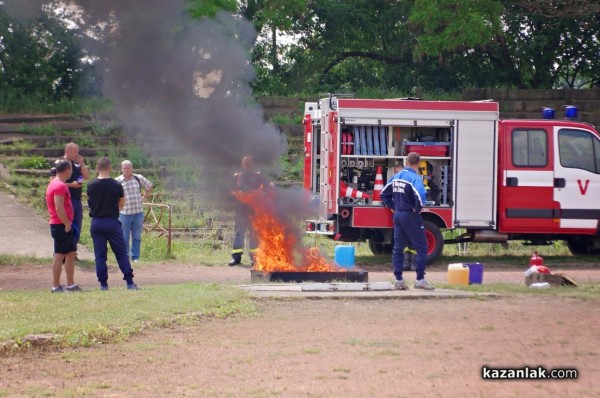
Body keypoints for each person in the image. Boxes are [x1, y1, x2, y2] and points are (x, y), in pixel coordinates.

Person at [380, 152, 435, 290]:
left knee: (398, 248)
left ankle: (399, 281)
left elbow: (383, 194)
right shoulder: (415, 178)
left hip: (397, 215)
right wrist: (416, 210)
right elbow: (422, 197)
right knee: (422, 247)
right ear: (417, 164)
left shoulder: (396, 177)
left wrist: (393, 206)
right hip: (410, 215)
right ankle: (420, 280)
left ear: (406, 162)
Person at [87, 157, 138, 290]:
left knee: (100, 255)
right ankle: (129, 282)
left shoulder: (91, 185)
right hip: (112, 221)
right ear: (110, 168)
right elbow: (121, 204)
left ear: (97, 168)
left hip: (97, 222)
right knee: (121, 253)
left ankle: (103, 284)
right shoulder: (117, 185)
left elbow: (90, 204)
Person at [45, 159, 81, 293]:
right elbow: (58, 207)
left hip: (66, 224)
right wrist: (66, 224)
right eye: (71, 169)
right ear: (67, 170)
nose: (72, 171)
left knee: (71, 254)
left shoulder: (58, 184)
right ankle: (55, 286)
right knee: (59, 255)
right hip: (60, 224)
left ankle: (70, 284)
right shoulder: (59, 185)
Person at [228, 155, 270, 266]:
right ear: (242, 164)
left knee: (254, 235)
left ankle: (254, 258)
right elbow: (231, 191)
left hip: (254, 211)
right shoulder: (237, 177)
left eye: (249, 163)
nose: (247, 165)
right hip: (241, 211)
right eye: (245, 163)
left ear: (252, 164)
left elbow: (267, 189)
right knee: (239, 234)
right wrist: (238, 196)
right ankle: (236, 258)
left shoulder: (258, 177)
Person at [50, 143, 90, 250]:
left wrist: (82, 164)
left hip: (77, 200)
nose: (77, 154)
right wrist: (71, 185)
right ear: (68, 151)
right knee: (65, 224)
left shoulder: (76, 164)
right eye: (75, 151)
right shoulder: (58, 164)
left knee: (77, 226)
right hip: (64, 199)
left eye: (78, 151)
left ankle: (73, 249)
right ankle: (63, 249)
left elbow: (86, 176)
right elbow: (53, 182)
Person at [116, 160, 153, 262]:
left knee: (137, 237)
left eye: (128, 168)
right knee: (124, 237)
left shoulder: (138, 178)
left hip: (138, 212)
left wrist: (144, 197)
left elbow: (149, 186)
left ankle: (135, 257)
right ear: (121, 169)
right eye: (125, 168)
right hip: (124, 213)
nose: (127, 170)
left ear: (132, 169)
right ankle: (125, 257)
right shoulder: (118, 181)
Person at [389, 162, 416, 271]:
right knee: (402, 241)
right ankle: (405, 264)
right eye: (396, 172)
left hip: (407, 214)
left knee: (411, 240)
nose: (398, 174)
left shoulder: (410, 180)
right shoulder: (395, 181)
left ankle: (412, 264)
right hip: (401, 214)